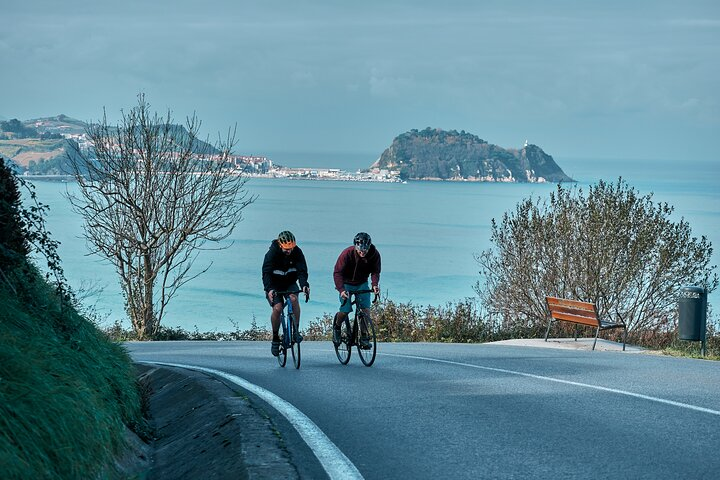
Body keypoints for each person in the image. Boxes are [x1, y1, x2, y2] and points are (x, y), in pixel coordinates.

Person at [262, 230, 310, 356]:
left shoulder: (297, 252)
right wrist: (269, 289)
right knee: (277, 308)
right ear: (280, 246)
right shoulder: (272, 253)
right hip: (274, 285)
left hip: (290, 283)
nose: (289, 251)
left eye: (291, 248)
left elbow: (302, 271)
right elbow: (266, 273)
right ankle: (276, 337)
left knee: (294, 299)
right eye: (286, 249)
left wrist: (304, 285)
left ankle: (295, 331)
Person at [332, 232, 381, 348]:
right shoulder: (347, 254)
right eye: (360, 250)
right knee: (346, 309)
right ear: (355, 247)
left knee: (365, 310)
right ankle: (337, 327)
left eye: (365, 250)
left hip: (362, 283)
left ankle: (364, 337)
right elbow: (337, 273)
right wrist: (341, 290)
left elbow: (375, 272)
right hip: (346, 284)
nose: (362, 252)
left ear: (369, 247)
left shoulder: (375, 255)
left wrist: (374, 285)